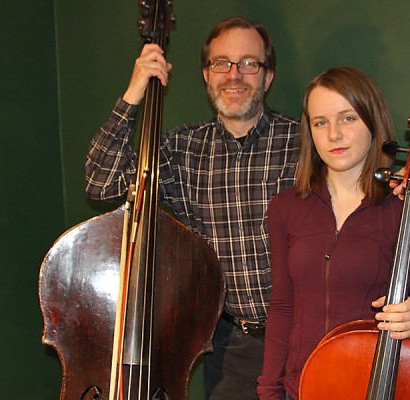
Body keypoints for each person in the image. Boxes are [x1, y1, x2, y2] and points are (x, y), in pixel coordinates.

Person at [85, 17, 300, 399]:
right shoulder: (179, 149)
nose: (234, 75)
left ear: (267, 77)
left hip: (305, 335)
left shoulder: (303, 142)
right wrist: (134, 93)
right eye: (222, 63)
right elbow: (101, 182)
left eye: (249, 63)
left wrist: (407, 184)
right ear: (206, 74)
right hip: (232, 345)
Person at [256, 66, 410, 400]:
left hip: (375, 386)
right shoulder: (285, 207)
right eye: (321, 122)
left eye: (348, 118)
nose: (333, 134)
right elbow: (283, 308)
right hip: (301, 389)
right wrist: (269, 390)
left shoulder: (406, 208)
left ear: (372, 122)